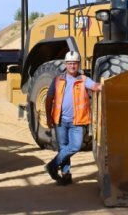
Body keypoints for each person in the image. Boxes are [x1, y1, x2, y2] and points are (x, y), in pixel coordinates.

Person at [44, 51, 101, 185]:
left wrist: (105, 85)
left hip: (77, 121)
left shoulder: (83, 80)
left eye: (74, 64)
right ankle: (66, 174)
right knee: (63, 147)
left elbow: (95, 86)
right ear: (65, 64)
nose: (72, 66)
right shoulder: (58, 80)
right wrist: (48, 116)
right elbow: (49, 99)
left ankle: (52, 165)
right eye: (69, 63)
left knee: (75, 146)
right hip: (60, 120)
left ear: (78, 64)